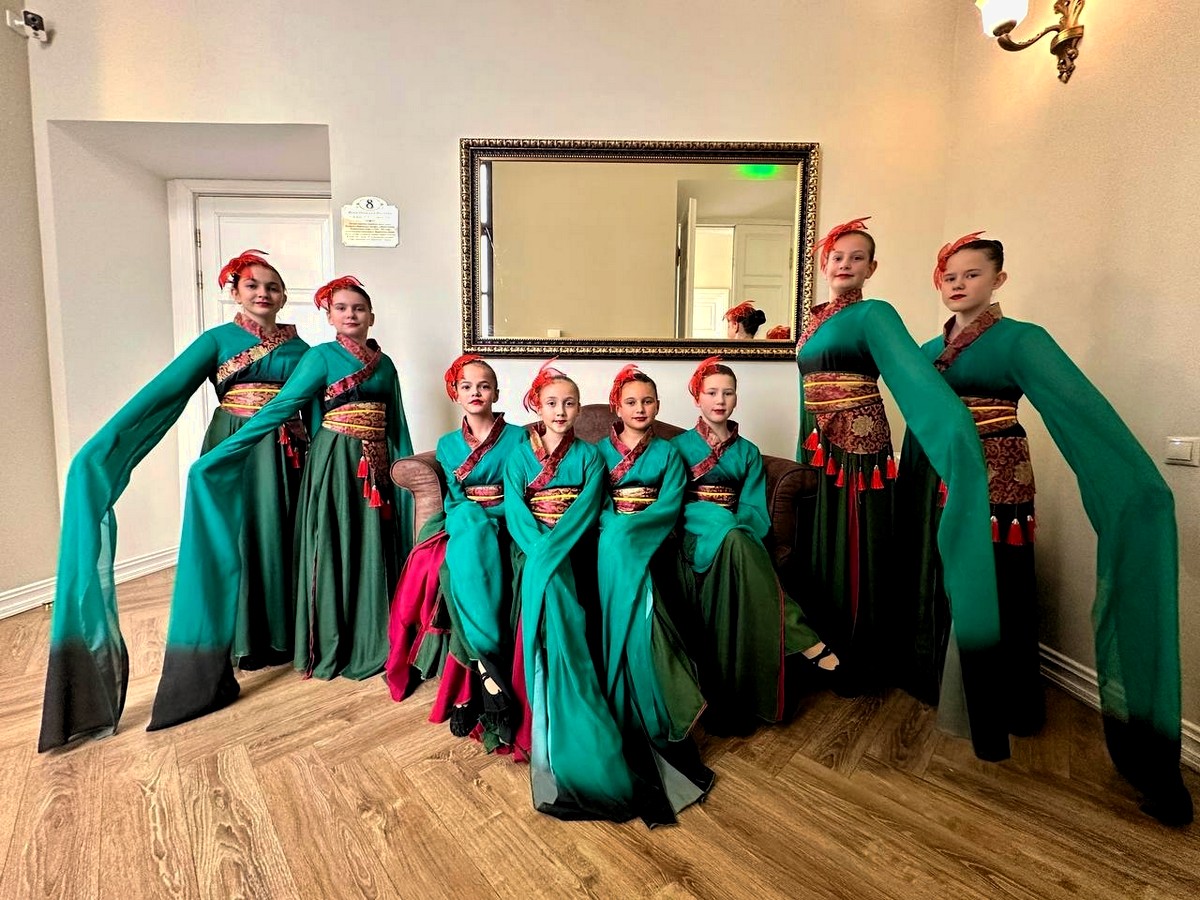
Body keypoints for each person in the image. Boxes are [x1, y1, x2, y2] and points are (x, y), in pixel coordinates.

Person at [895, 233, 1192, 826]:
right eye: (949, 276)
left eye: (973, 274)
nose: (958, 284)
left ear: (998, 280)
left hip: (999, 483)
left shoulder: (1021, 339)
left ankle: (1008, 707)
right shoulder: (927, 350)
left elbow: (1080, 410)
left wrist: (1137, 488)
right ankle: (949, 691)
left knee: (1001, 586)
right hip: (944, 485)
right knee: (948, 585)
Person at [40, 250, 309, 750]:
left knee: (283, 538)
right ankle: (239, 642)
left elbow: (317, 405)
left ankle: (283, 637)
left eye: (272, 286)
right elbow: (162, 394)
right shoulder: (216, 341)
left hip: (289, 453)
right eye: (252, 285)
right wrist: (104, 448)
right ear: (234, 292)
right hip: (232, 449)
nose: (263, 293)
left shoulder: (302, 347)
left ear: (284, 296)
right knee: (234, 542)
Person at [147, 276, 413, 732]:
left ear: (372, 315)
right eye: (342, 308)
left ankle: (375, 635)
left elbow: (398, 423)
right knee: (326, 545)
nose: (351, 315)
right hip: (334, 462)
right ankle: (323, 640)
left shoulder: (384, 364)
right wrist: (223, 454)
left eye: (359, 308)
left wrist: (405, 477)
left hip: (377, 463)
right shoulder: (318, 356)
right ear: (328, 315)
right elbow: (287, 406)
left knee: (374, 548)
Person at [795, 216, 1008, 760]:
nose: (845, 264)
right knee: (822, 547)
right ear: (824, 263)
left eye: (857, 257)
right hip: (820, 447)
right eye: (837, 256)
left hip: (859, 451)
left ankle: (860, 658)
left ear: (872, 268)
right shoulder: (813, 321)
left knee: (857, 548)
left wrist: (956, 439)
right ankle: (823, 649)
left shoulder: (875, 314)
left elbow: (916, 381)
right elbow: (808, 391)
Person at [672, 356, 839, 735]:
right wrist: (723, 523)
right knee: (725, 528)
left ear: (736, 398)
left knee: (736, 535)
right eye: (711, 393)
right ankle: (802, 636)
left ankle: (747, 693)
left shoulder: (747, 451)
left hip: (735, 533)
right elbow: (676, 503)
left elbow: (751, 509)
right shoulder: (678, 447)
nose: (720, 400)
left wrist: (736, 528)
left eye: (728, 393)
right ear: (697, 398)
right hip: (695, 530)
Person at [503, 360, 640, 821]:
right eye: (551, 403)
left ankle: (577, 707)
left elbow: (586, 510)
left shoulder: (589, 457)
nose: (560, 411)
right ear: (536, 406)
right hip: (532, 546)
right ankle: (554, 708)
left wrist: (553, 550)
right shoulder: (517, 456)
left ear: (580, 408)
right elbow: (516, 512)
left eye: (569, 403)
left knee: (558, 579)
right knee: (551, 584)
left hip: (573, 545)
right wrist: (541, 551)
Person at [385, 353, 526, 753]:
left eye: (484, 386)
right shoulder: (447, 444)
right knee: (454, 564)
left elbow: (520, 491)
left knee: (461, 567)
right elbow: (455, 498)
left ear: (496, 392)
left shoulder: (519, 438)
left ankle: (480, 679)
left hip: (507, 518)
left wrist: (489, 517)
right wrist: (472, 519)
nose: (475, 392)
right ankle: (485, 673)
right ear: (456, 393)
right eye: (467, 386)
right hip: (464, 522)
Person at [595, 364, 713, 821]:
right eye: (631, 402)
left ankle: (663, 707)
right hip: (612, 541)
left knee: (632, 556)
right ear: (617, 407)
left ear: (659, 406)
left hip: (655, 540)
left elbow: (669, 506)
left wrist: (633, 530)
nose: (640, 409)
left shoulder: (668, 453)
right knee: (617, 543)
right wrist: (618, 529)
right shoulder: (598, 452)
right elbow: (597, 505)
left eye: (648, 401)